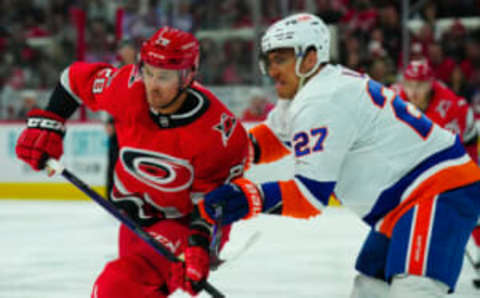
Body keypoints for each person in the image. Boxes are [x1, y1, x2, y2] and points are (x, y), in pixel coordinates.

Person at [198, 13, 480, 298]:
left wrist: (246, 199)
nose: (272, 70)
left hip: (435, 192)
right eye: (268, 60)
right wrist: (221, 156)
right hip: (402, 203)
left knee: (414, 290)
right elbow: (271, 138)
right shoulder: (312, 89)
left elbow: (309, 197)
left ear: (309, 59)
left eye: (280, 59)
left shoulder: (321, 101)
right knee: (370, 289)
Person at [15, 26, 250, 297]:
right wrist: (50, 124)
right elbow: (73, 79)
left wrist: (198, 247)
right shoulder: (127, 87)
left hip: (183, 223)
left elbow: (214, 203)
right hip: (133, 219)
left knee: (118, 287)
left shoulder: (219, 134)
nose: (152, 84)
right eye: (148, 72)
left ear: (188, 75)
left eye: (163, 76)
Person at [394, 58, 480, 284]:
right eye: (409, 84)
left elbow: (456, 154)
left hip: (462, 157)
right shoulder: (393, 99)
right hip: (419, 159)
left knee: (468, 209)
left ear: (431, 83)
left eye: (420, 86)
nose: (413, 91)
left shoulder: (450, 108)